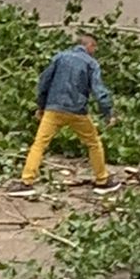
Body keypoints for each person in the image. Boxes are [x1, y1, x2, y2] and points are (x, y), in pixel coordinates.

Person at [14, 32, 116, 194]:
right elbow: (99, 91)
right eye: (94, 47)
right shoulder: (91, 63)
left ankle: (26, 182)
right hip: (77, 111)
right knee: (93, 143)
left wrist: (41, 106)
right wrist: (108, 113)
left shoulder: (60, 57)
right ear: (89, 45)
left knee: (39, 144)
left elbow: (44, 82)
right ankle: (102, 180)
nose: (95, 51)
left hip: (53, 109)